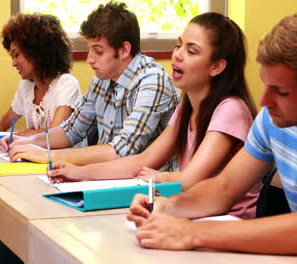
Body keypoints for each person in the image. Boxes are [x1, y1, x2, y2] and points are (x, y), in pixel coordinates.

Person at [127, 12, 297, 264]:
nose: (263, 100)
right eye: (264, 82)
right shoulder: (275, 116)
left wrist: (192, 233)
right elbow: (223, 188)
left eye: (280, 91)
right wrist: (169, 206)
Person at [47, 12, 262, 219]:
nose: (177, 54)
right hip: (190, 212)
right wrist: (79, 173)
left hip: (225, 224)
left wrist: (159, 177)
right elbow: (142, 160)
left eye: (192, 51)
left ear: (216, 67)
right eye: (179, 45)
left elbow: (190, 180)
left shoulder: (230, 109)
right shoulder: (187, 106)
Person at [0, 2, 179, 170]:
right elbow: (70, 130)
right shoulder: (102, 79)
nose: (89, 59)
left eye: (98, 51)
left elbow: (122, 149)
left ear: (124, 50)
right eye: (90, 49)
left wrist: (48, 155)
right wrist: (28, 141)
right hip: (111, 177)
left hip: (149, 187)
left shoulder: (153, 81)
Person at [0, 13, 81, 136]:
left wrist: (26, 134)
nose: (13, 63)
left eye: (17, 55)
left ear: (37, 52)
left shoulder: (66, 84)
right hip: (37, 155)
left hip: (64, 156)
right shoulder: (26, 87)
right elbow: (3, 123)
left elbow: (56, 132)